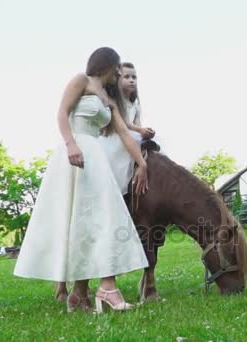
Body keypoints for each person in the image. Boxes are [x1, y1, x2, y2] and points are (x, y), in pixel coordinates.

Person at [13, 47, 149, 313]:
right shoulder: (81, 81)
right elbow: (62, 113)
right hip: (75, 155)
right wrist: (71, 144)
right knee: (84, 219)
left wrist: (142, 163)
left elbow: (122, 131)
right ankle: (103, 288)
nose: (120, 75)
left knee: (97, 220)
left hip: (96, 159)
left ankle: (80, 294)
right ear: (108, 65)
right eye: (118, 69)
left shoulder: (108, 98)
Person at [99, 62, 156, 195]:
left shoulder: (135, 105)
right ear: (117, 79)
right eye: (127, 77)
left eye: (134, 77)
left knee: (149, 144)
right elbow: (124, 124)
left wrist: (144, 132)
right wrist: (138, 130)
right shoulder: (115, 101)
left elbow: (137, 124)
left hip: (131, 135)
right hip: (117, 136)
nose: (131, 80)